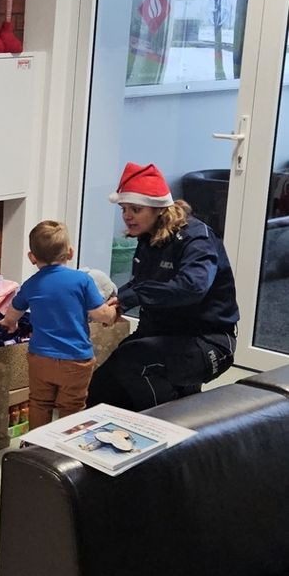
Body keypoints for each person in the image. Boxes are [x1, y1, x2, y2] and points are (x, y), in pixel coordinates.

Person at [87, 162, 239, 411]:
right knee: (100, 389)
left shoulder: (197, 239)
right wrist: (115, 301)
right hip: (159, 333)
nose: (127, 216)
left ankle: (173, 431)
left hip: (207, 340)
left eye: (135, 209)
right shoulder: (148, 236)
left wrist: (133, 296)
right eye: (124, 209)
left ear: (159, 209)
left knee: (135, 365)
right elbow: (142, 282)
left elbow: (191, 287)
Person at [0, 221, 117, 429]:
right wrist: (113, 311)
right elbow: (100, 314)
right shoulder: (82, 280)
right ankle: (65, 452)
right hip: (75, 359)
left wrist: (9, 323)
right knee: (72, 406)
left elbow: (14, 311)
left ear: (32, 257)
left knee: (39, 403)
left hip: (40, 358)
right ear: (70, 253)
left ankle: (35, 447)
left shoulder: (31, 284)